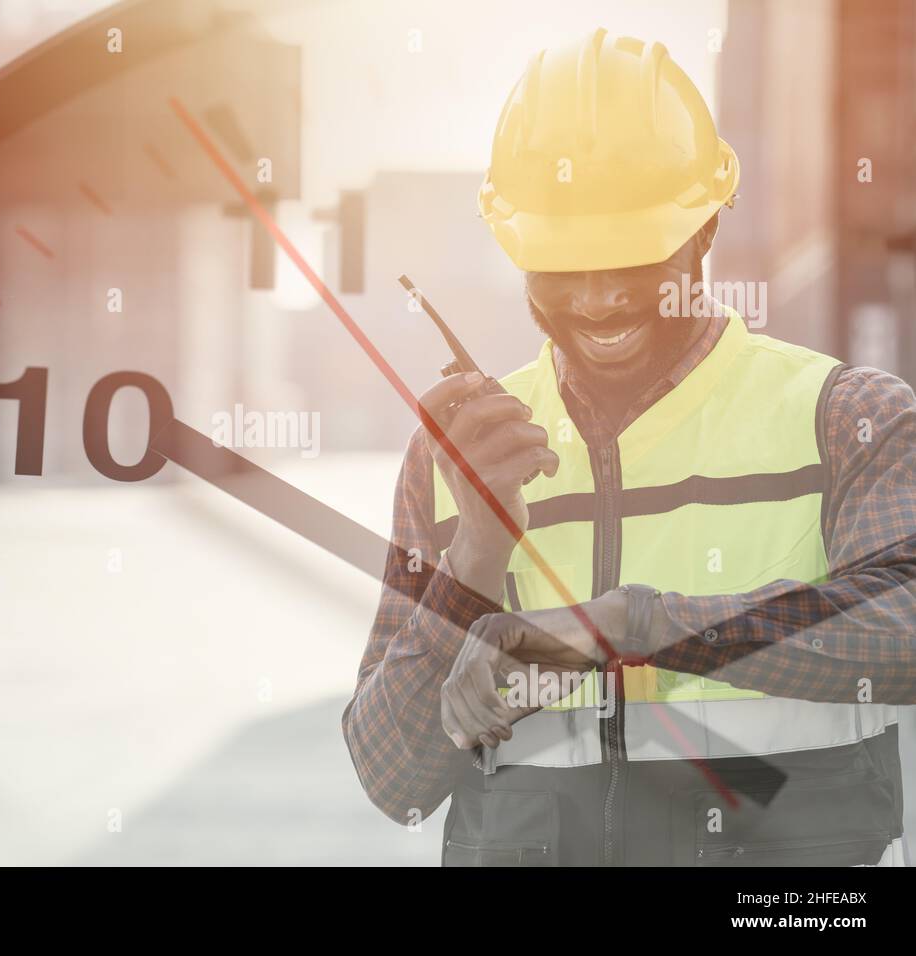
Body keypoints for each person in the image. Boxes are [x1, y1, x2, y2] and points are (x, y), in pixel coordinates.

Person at [342, 28, 916, 866]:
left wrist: (631, 623)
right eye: (564, 264)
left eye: (637, 257)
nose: (602, 297)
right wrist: (472, 556)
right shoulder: (454, 461)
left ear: (705, 233)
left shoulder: (840, 417)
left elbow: (903, 633)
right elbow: (393, 781)